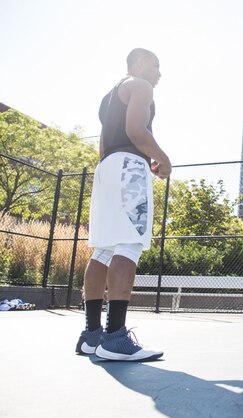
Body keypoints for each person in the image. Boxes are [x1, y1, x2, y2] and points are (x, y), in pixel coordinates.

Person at [75, 48, 171, 361]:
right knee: (128, 246)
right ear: (141, 62)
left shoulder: (111, 95)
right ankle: (115, 338)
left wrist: (120, 165)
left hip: (108, 166)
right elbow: (135, 130)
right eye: (157, 66)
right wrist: (163, 159)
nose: (159, 74)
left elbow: (106, 141)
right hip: (129, 167)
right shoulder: (140, 86)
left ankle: (92, 336)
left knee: (103, 250)